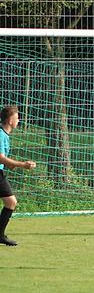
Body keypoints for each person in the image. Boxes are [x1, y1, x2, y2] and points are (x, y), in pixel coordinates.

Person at [0, 105, 37, 247]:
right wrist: (22, 164)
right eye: (17, 118)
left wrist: (15, 165)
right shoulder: (1, 134)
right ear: (10, 120)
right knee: (11, 202)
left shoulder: (4, 134)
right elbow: (1, 157)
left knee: (10, 202)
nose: (19, 120)